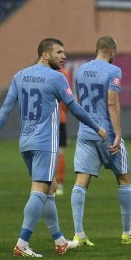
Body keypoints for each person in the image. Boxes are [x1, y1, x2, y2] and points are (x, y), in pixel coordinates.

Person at [0, 38, 106, 258]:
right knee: (39, 190)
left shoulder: (20, 76)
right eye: (59, 52)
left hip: (25, 142)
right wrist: (97, 127)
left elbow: (6, 108)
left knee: (50, 187)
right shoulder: (56, 77)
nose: (64, 56)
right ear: (45, 55)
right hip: (45, 143)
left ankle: (59, 241)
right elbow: (74, 107)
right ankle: (22, 243)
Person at [70, 36, 131, 247]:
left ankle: (78, 233)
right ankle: (127, 232)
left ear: (96, 50)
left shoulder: (81, 70)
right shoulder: (114, 71)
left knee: (81, 182)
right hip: (107, 134)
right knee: (124, 178)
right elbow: (113, 103)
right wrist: (118, 133)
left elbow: (76, 103)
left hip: (85, 132)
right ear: (112, 51)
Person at [55, 66, 72, 196]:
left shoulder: (39, 72)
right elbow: (67, 98)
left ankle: (44, 184)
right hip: (59, 118)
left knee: (43, 152)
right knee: (59, 152)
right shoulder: (64, 73)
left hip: (43, 120)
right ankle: (59, 184)